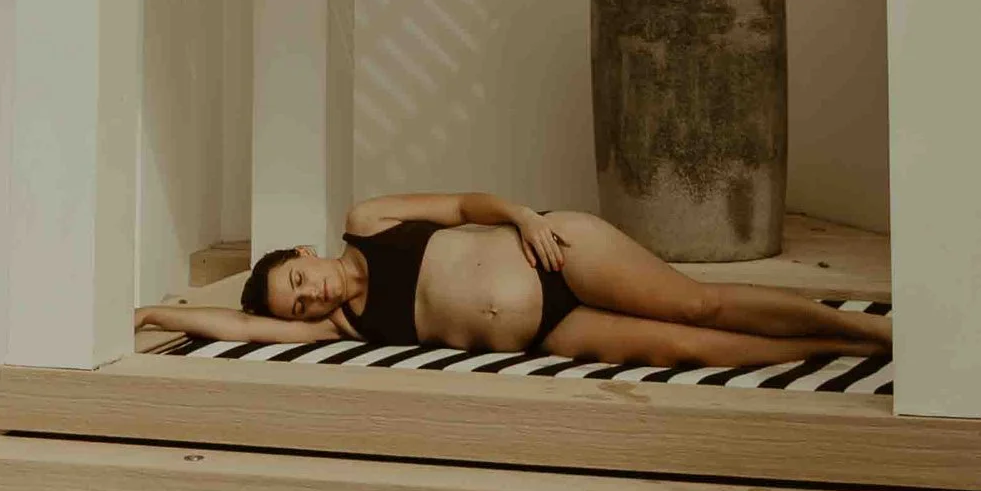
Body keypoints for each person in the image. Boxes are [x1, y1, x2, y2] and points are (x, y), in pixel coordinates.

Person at [134, 190, 891, 373]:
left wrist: (526, 218)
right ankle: (837, 350)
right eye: (298, 302)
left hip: (557, 253)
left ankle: (873, 329)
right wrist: (157, 312)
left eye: (300, 277)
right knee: (690, 349)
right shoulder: (338, 328)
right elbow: (240, 328)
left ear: (307, 251)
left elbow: (465, 205)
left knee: (702, 301)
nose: (311, 295)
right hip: (548, 330)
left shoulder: (366, 221)